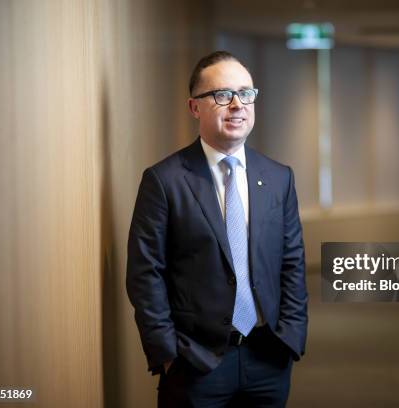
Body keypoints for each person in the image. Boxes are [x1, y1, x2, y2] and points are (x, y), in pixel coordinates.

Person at [126, 50, 308, 407]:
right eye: (222, 95)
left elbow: (292, 263)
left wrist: (291, 336)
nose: (237, 105)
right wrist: (167, 353)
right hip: (195, 364)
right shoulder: (164, 181)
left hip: (268, 358)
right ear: (194, 107)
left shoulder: (278, 178)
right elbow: (145, 273)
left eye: (246, 93)